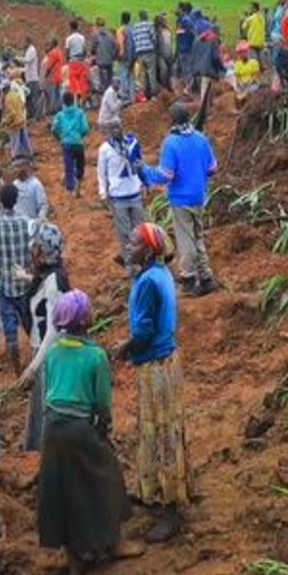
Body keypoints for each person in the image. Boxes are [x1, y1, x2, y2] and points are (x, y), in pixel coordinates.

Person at [35, 291, 143, 575]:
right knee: (107, 479)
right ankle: (114, 542)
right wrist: (103, 427)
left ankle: (74, 558)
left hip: (52, 430)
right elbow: (102, 403)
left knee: (63, 489)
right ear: (85, 319)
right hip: (80, 427)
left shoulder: (54, 352)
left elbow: (48, 392)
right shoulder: (95, 356)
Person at [115, 224, 193, 543]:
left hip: (154, 363)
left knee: (159, 432)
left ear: (148, 250)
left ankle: (169, 509)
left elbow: (144, 330)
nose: (128, 246)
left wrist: (122, 348)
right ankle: (167, 488)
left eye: (134, 244)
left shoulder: (148, 282)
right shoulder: (159, 272)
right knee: (169, 427)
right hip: (167, 359)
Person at [145, 104, 218, 295]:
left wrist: (145, 171)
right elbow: (212, 169)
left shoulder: (171, 143)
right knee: (198, 235)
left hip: (181, 198)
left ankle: (188, 278)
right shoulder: (201, 139)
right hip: (199, 196)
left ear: (172, 120)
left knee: (185, 238)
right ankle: (206, 277)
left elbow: (165, 175)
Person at [0, 184, 39, 376]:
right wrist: (31, 266)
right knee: (30, 323)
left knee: (10, 330)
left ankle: (18, 373)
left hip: (4, 282)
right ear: (17, 199)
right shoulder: (25, 222)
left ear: (0, 201)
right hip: (24, 281)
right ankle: (37, 363)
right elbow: (35, 246)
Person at [16, 224, 69, 451]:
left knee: (48, 409)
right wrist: (27, 278)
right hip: (43, 353)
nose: (32, 252)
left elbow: (54, 329)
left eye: (37, 248)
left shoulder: (54, 281)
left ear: (45, 252)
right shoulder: (49, 276)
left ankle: (51, 455)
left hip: (49, 355)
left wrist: (33, 367)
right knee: (40, 407)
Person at [97, 119, 147, 275]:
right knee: (124, 233)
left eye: (118, 126)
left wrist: (144, 183)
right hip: (118, 197)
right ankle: (130, 264)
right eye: (112, 128)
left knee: (141, 230)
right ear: (109, 131)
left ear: (122, 127)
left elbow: (140, 163)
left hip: (135, 193)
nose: (116, 130)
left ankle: (143, 261)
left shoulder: (132, 143)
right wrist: (103, 193)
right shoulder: (105, 149)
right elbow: (101, 172)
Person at [52, 92, 90, 198]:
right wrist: (80, 136)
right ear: (73, 101)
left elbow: (54, 128)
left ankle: (69, 192)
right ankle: (78, 189)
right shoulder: (80, 113)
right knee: (80, 166)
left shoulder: (59, 115)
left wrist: (60, 137)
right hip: (78, 144)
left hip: (66, 144)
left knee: (68, 167)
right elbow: (85, 128)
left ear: (63, 102)